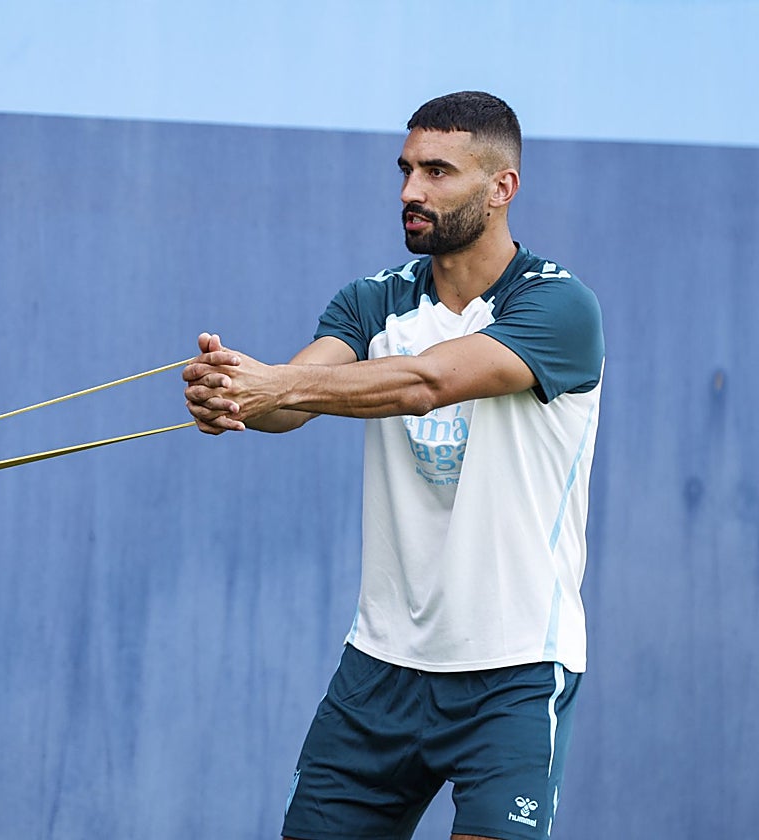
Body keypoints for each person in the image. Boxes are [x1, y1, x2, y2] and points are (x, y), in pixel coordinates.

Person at [183, 91, 604, 840]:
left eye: (438, 171)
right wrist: (235, 400)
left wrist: (272, 383)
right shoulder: (374, 301)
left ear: (501, 188)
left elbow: (427, 382)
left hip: (513, 671)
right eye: (407, 169)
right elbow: (295, 401)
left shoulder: (559, 307)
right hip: (381, 664)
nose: (411, 191)